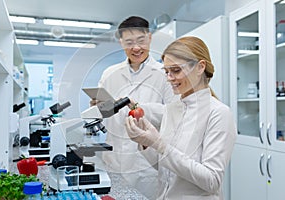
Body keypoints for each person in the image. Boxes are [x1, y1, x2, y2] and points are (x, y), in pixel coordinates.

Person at [125, 36, 237, 200]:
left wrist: (160, 144)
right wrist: (145, 142)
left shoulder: (219, 113)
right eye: (166, 71)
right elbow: (166, 168)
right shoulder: (172, 110)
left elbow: (212, 181)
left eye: (176, 70)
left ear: (200, 67)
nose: (169, 78)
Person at [93, 16, 177, 199]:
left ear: (149, 38)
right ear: (121, 42)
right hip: (114, 160)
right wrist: (98, 107)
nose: (136, 48)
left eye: (141, 41)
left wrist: (138, 107)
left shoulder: (165, 74)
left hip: (145, 164)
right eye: (129, 42)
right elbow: (101, 114)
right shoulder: (109, 73)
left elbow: (174, 114)